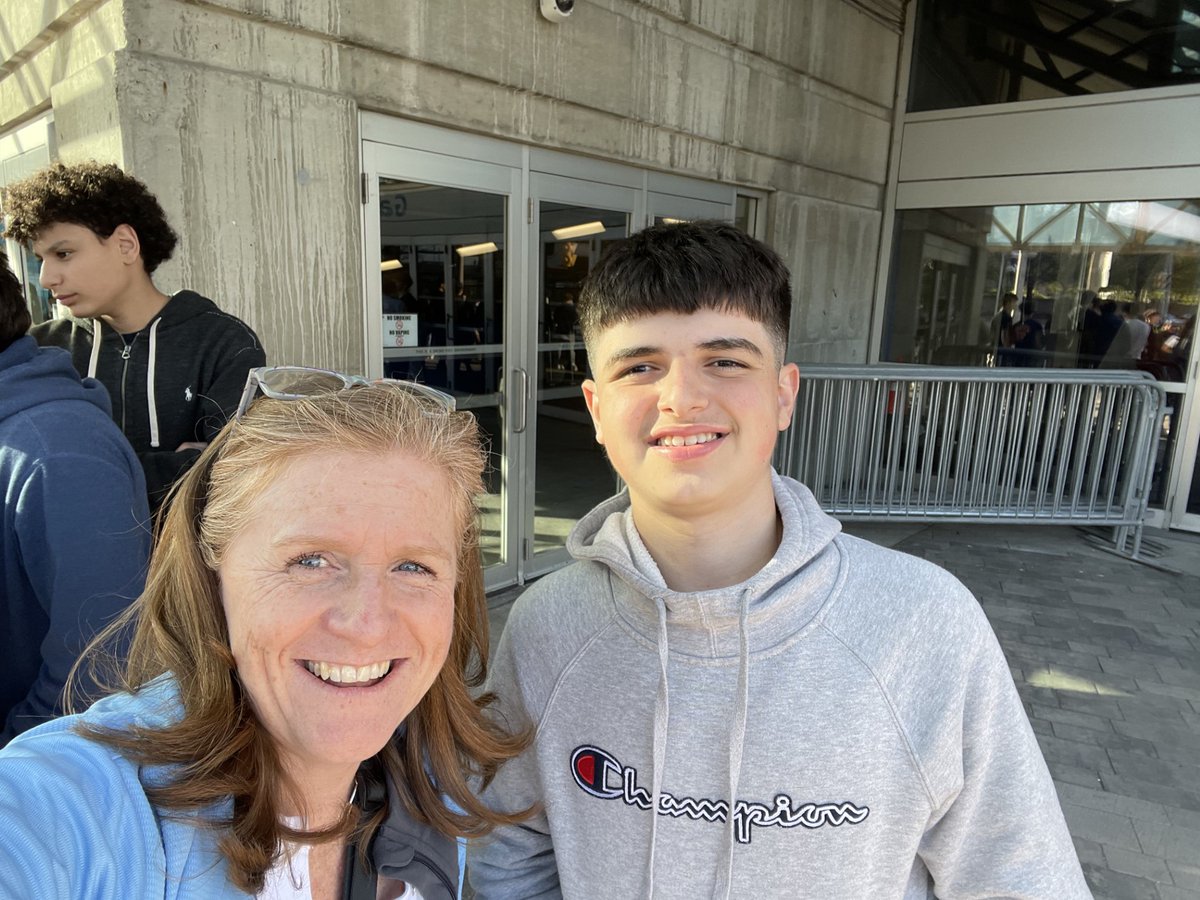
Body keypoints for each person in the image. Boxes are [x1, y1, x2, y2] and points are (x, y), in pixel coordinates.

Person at [469, 221, 1090, 898]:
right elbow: (508, 851)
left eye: (726, 361)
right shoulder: (547, 627)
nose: (682, 397)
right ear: (595, 406)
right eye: (639, 366)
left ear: (784, 393)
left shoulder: (923, 623)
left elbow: (1018, 878)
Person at [0, 368, 529, 898]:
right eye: (311, 560)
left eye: (413, 567)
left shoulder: (432, 783)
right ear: (214, 573)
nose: (366, 624)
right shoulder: (74, 810)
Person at [2, 160, 267, 512]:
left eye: (63, 254)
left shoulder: (223, 343)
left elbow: (235, 476)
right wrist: (173, 468)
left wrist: (77, 470)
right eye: (40, 260)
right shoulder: (41, 350)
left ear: (126, 245)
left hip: (182, 563)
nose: (47, 278)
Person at [0, 250, 150, 745]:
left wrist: (12, 762)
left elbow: (95, 673)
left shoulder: (62, 455)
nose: (48, 275)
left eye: (63, 252)